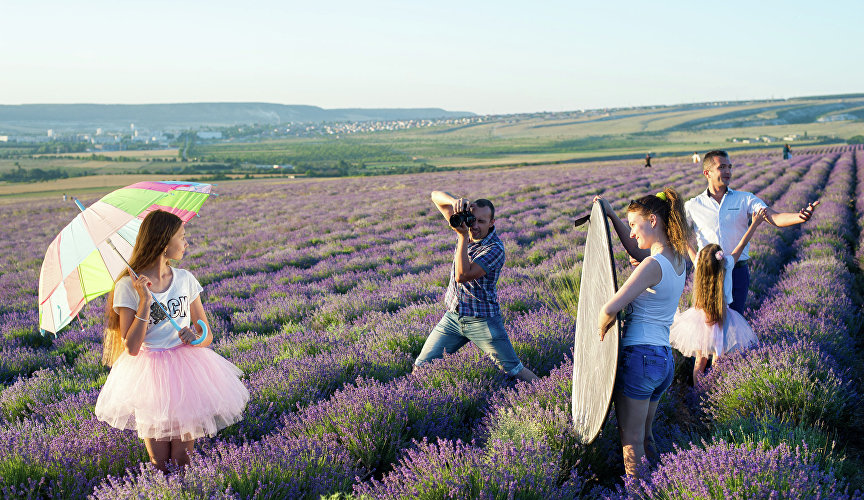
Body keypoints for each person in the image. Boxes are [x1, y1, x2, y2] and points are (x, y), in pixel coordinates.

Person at [94, 210, 248, 472]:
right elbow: (131, 348)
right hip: (149, 375)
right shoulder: (127, 287)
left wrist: (195, 337)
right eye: (182, 237)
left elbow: (206, 334)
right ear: (165, 243)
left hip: (187, 369)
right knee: (158, 461)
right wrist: (144, 301)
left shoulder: (185, 279)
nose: (186, 243)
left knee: (183, 460)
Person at [594, 187, 692, 477]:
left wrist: (600, 334)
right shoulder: (677, 261)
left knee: (631, 445)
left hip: (639, 358)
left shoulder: (652, 264)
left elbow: (609, 309)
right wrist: (612, 215)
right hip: (662, 360)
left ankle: (637, 494)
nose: (633, 233)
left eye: (635, 225)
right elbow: (638, 251)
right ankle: (661, 488)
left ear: (653, 220)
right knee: (646, 439)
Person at [414, 191, 538, 382]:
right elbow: (434, 196)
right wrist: (454, 202)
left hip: (483, 321)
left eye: (482, 221)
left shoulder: (495, 248)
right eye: (473, 220)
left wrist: (463, 237)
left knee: (515, 371)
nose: (475, 226)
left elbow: (462, 276)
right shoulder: (465, 227)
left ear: (492, 222)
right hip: (453, 317)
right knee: (421, 368)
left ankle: (554, 398)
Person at [684, 150, 818, 314]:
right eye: (722, 167)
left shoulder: (744, 199)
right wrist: (695, 260)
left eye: (730, 167)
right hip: (708, 274)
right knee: (707, 325)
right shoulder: (693, 205)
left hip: (738, 272)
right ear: (707, 173)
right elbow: (677, 233)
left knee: (734, 322)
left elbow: (772, 217)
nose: (728, 172)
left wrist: (799, 217)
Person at [669, 208, 765, 383]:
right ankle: (713, 392)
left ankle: (698, 396)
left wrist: (675, 227)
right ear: (721, 259)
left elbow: (687, 246)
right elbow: (741, 244)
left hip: (700, 317)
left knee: (700, 360)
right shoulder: (727, 265)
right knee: (718, 359)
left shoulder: (700, 264)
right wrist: (754, 224)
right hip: (722, 317)